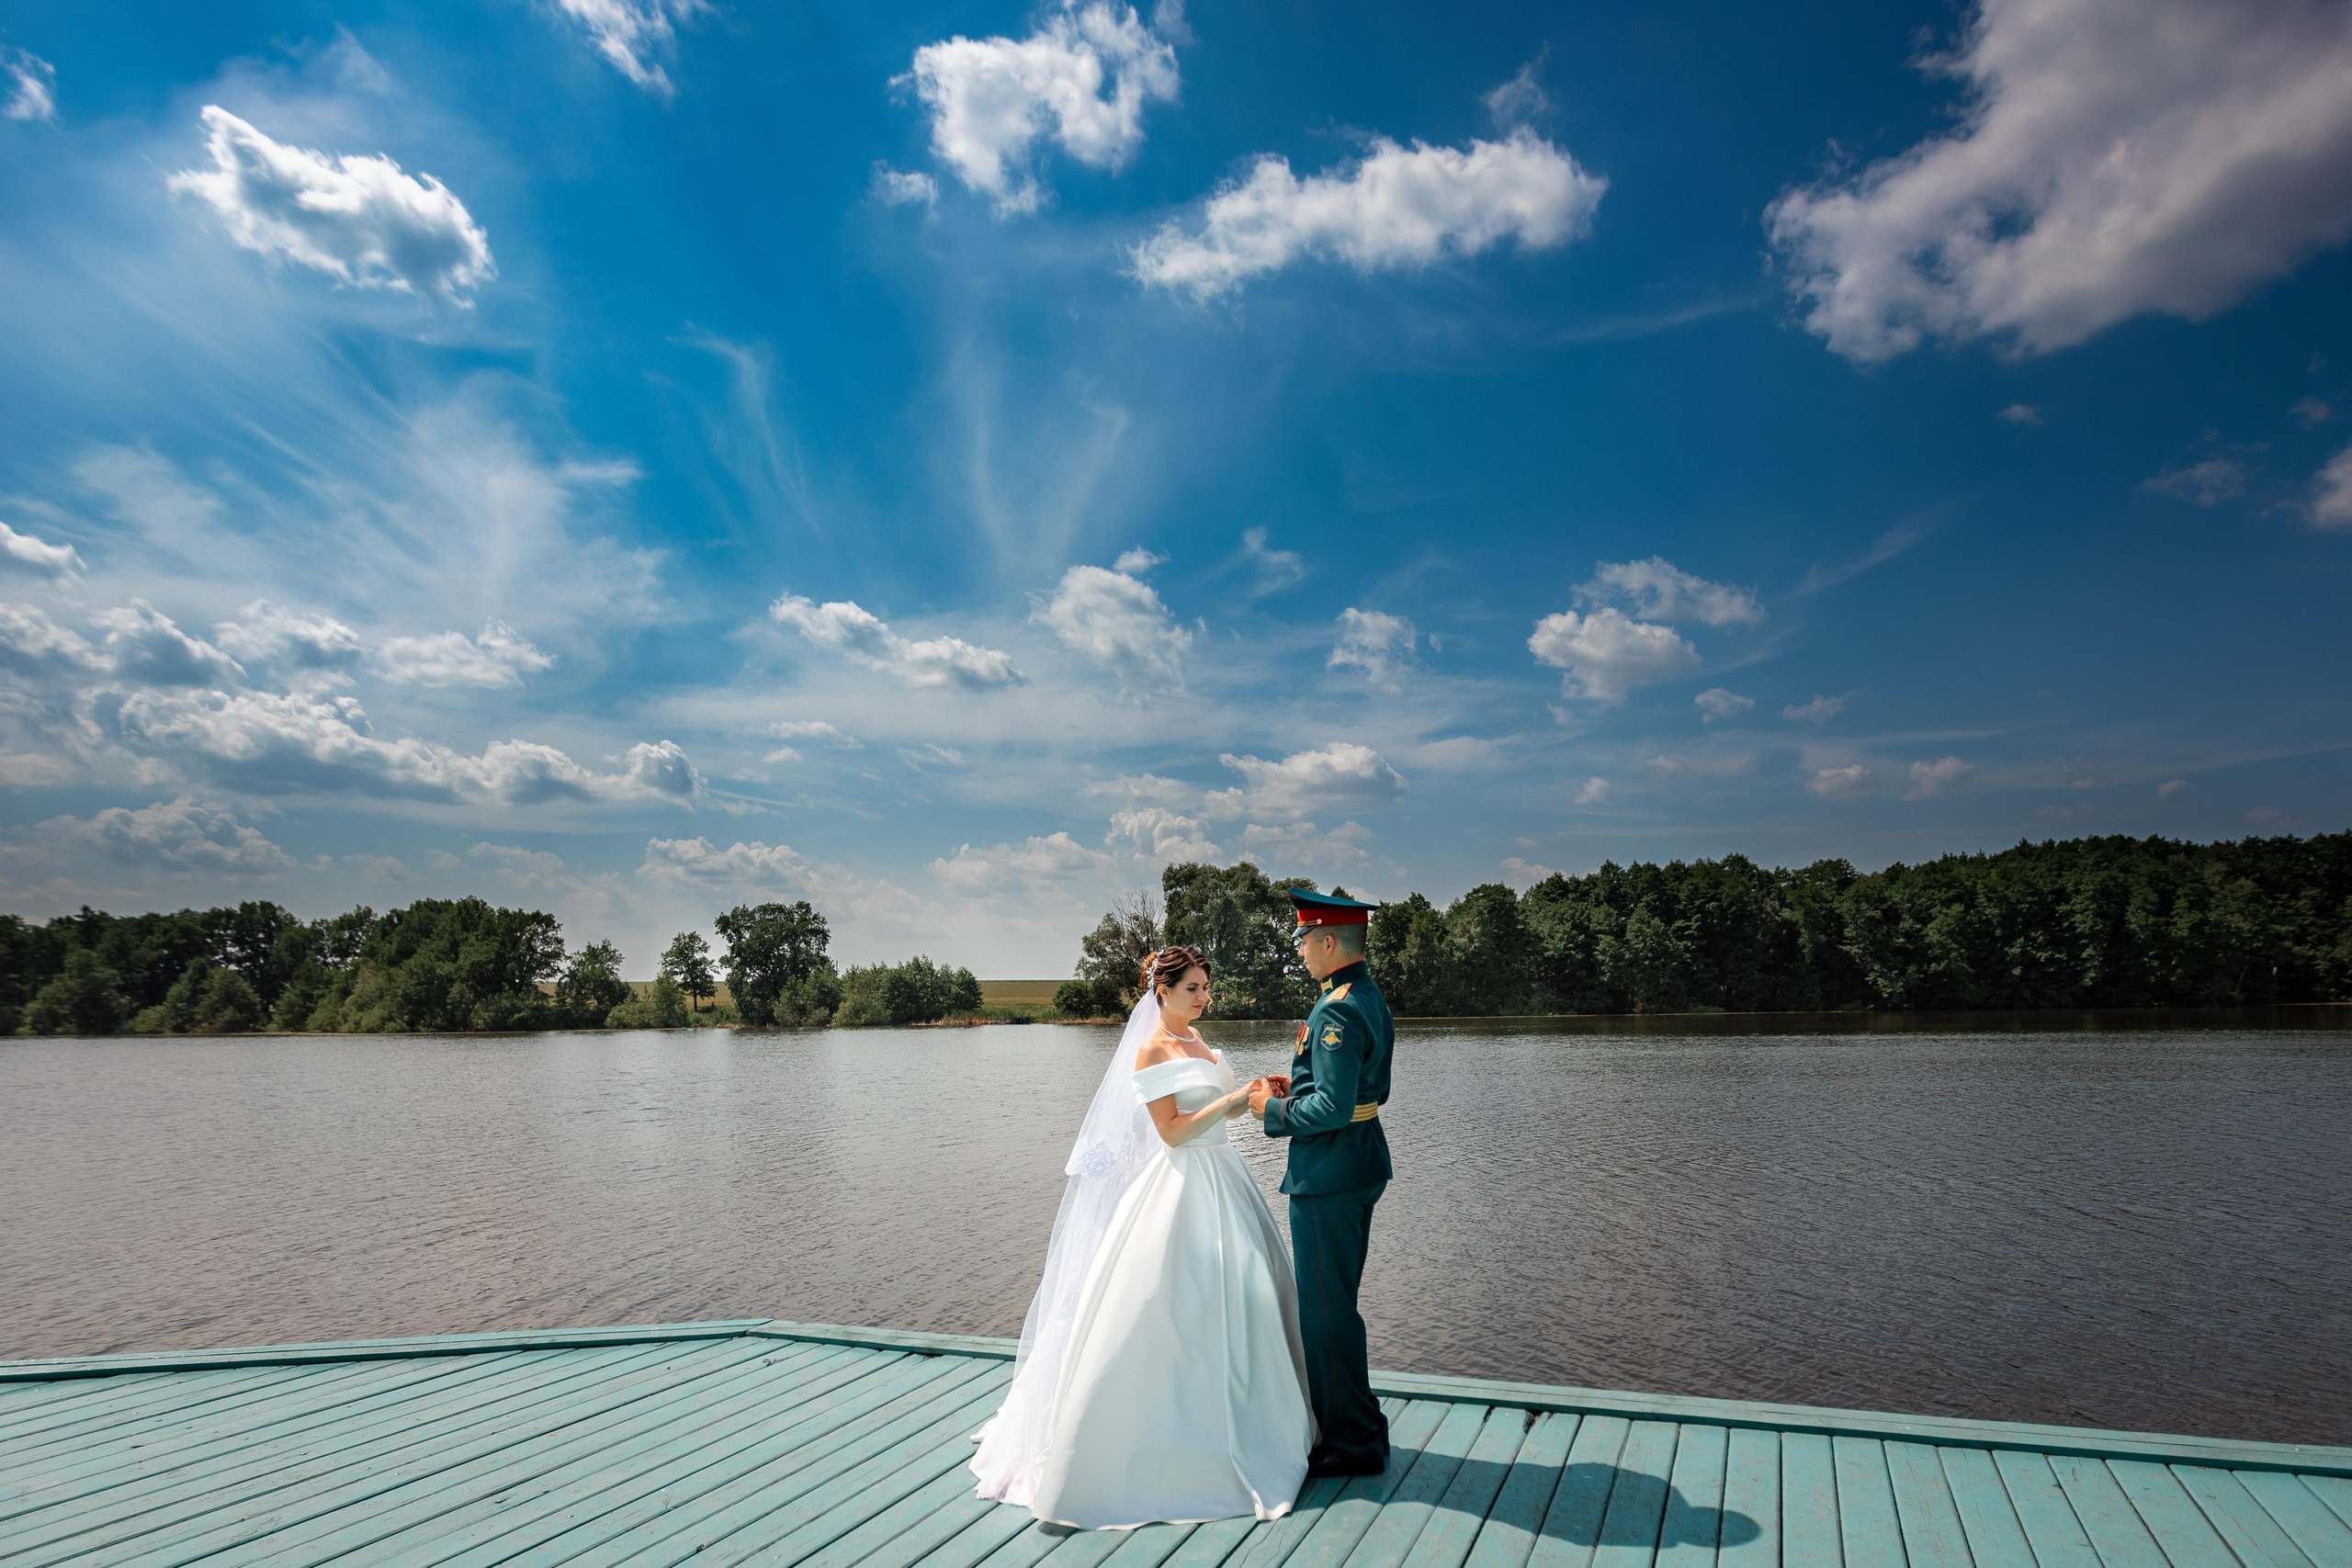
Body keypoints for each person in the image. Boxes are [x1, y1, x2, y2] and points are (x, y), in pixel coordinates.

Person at [972, 943, 1315, 1529]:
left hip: (1225, 1179)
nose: (1203, 998)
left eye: (1207, 987)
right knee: (1167, 1305)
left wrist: (1257, 1093)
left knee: (1246, 1297)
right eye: (1192, 989)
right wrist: (1233, 1098)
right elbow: (1174, 1134)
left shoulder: (1201, 1045)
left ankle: (1261, 1424)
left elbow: (1220, 1114)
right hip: (1181, 1184)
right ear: (1162, 991)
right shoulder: (1153, 1049)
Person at [1247, 889, 1394, 1477]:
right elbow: (1354, 1092)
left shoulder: (1334, 1008)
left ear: (1328, 941)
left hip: (1327, 1175)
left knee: (1326, 1315)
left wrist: (1269, 1111)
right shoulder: (1366, 995)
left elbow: (1332, 1108)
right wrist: (1299, 1086)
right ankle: (1364, 1423)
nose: (1301, 952)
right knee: (1339, 1308)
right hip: (1358, 1164)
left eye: (1305, 941)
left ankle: (1352, 1443)